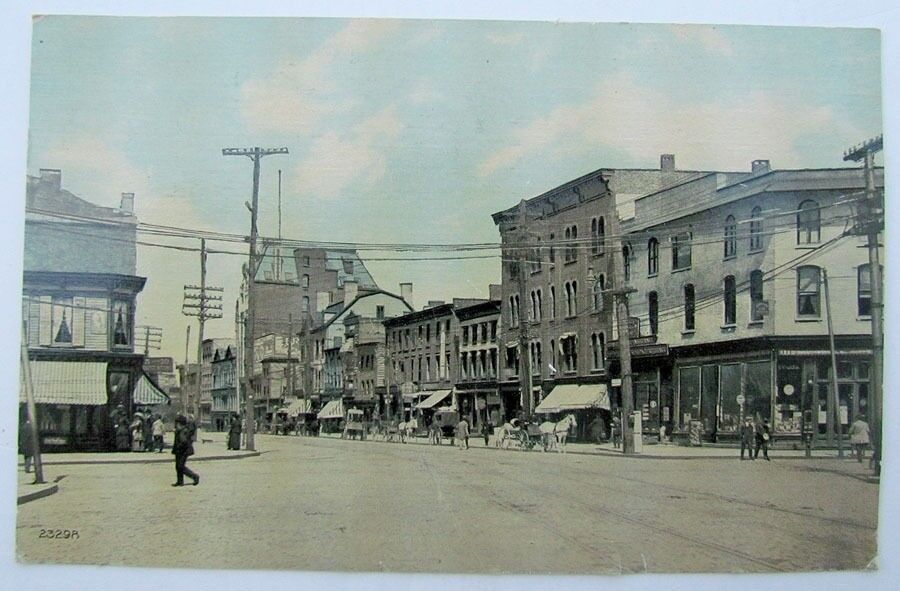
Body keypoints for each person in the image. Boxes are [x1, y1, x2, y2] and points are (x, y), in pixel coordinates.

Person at [171, 414, 199, 487]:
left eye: (177, 423)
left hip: (183, 451)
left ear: (179, 423)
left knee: (180, 466)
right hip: (179, 450)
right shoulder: (180, 430)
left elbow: (184, 442)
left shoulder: (183, 431)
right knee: (178, 466)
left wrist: (179, 447)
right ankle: (180, 481)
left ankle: (195, 476)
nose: (175, 424)